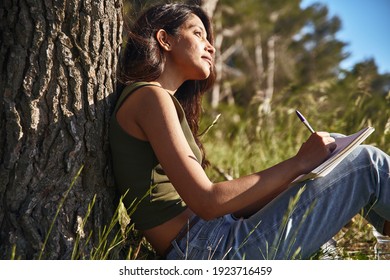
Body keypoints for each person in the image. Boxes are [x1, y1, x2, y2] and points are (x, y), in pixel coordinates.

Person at [109, 2, 390, 260]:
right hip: (207, 250)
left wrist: (301, 177)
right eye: (198, 34)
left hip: (213, 236)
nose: (211, 47)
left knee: (337, 150)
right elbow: (207, 202)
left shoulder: (159, 101)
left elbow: (221, 208)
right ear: (164, 39)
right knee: (366, 164)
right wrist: (298, 163)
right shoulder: (150, 98)